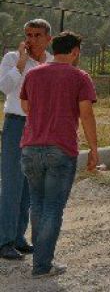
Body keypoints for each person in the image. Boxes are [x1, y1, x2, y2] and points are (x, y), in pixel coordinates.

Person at [18, 31, 99, 278]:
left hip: (31, 147)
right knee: (53, 207)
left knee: (37, 204)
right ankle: (42, 265)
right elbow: (86, 114)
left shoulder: (33, 73)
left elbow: (25, 106)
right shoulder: (79, 77)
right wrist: (94, 149)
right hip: (61, 148)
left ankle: (40, 261)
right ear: (75, 52)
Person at [0, 19, 53, 261]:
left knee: (29, 186)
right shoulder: (13, 58)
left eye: (37, 35)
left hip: (40, 127)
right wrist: (21, 63)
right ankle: (4, 240)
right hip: (16, 124)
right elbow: (4, 87)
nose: (31, 40)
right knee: (12, 184)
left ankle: (19, 237)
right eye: (28, 35)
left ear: (47, 38)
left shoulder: (52, 63)